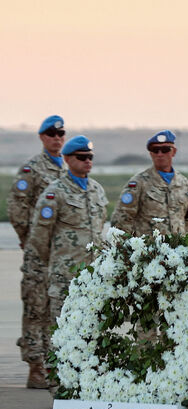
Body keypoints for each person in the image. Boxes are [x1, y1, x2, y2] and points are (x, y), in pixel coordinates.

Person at [26, 135, 107, 333]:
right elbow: (39, 236)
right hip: (65, 278)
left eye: (90, 157)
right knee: (63, 334)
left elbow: (99, 228)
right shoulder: (55, 193)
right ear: (68, 159)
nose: (87, 161)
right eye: (81, 157)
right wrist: (57, 264)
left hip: (93, 278)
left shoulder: (97, 190)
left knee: (91, 334)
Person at [9, 115, 66, 388]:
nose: (56, 138)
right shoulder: (32, 169)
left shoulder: (68, 168)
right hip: (38, 252)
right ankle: (35, 367)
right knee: (36, 308)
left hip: (62, 254)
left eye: (60, 134)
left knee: (57, 309)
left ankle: (54, 364)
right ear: (42, 137)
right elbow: (17, 206)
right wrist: (27, 238)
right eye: (51, 134)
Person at [110, 130, 188, 236]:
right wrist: (130, 247)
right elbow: (121, 218)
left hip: (177, 250)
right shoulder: (138, 183)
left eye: (165, 150)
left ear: (174, 152)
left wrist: (182, 240)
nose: (160, 154)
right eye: (155, 150)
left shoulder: (184, 183)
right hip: (149, 250)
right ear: (150, 153)